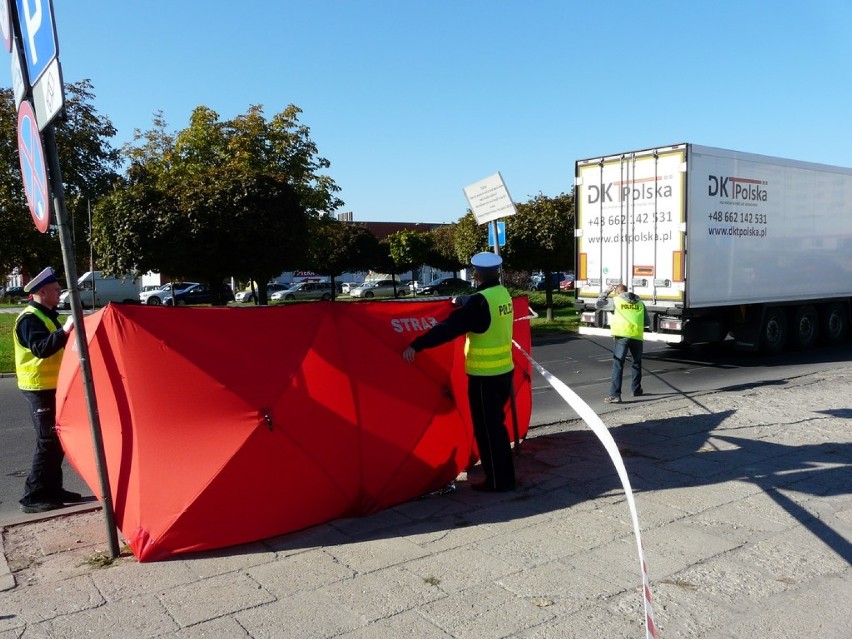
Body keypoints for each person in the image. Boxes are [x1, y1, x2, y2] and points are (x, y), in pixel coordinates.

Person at [402, 252, 516, 492]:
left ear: (475, 274)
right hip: (505, 371)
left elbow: (449, 328)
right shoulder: (501, 294)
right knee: (498, 427)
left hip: (485, 377)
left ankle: (498, 481)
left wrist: (417, 344)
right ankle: (505, 476)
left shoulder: (479, 302)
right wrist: (463, 301)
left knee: (488, 430)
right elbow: (478, 307)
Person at [14, 267, 81, 513]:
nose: (59, 292)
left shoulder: (47, 313)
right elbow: (41, 349)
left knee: (56, 440)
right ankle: (32, 497)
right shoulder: (29, 318)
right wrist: (64, 330)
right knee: (47, 440)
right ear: (42, 291)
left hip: (53, 386)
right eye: (55, 289)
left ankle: (53, 489)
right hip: (39, 387)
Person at [597, 283, 646, 404]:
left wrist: (606, 291)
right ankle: (636, 390)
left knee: (618, 365)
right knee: (636, 363)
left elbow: (598, 304)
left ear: (618, 292)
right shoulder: (640, 303)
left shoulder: (616, 301)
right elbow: (646, 321)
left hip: (622, 336)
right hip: (637, 336)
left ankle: (615, 395)